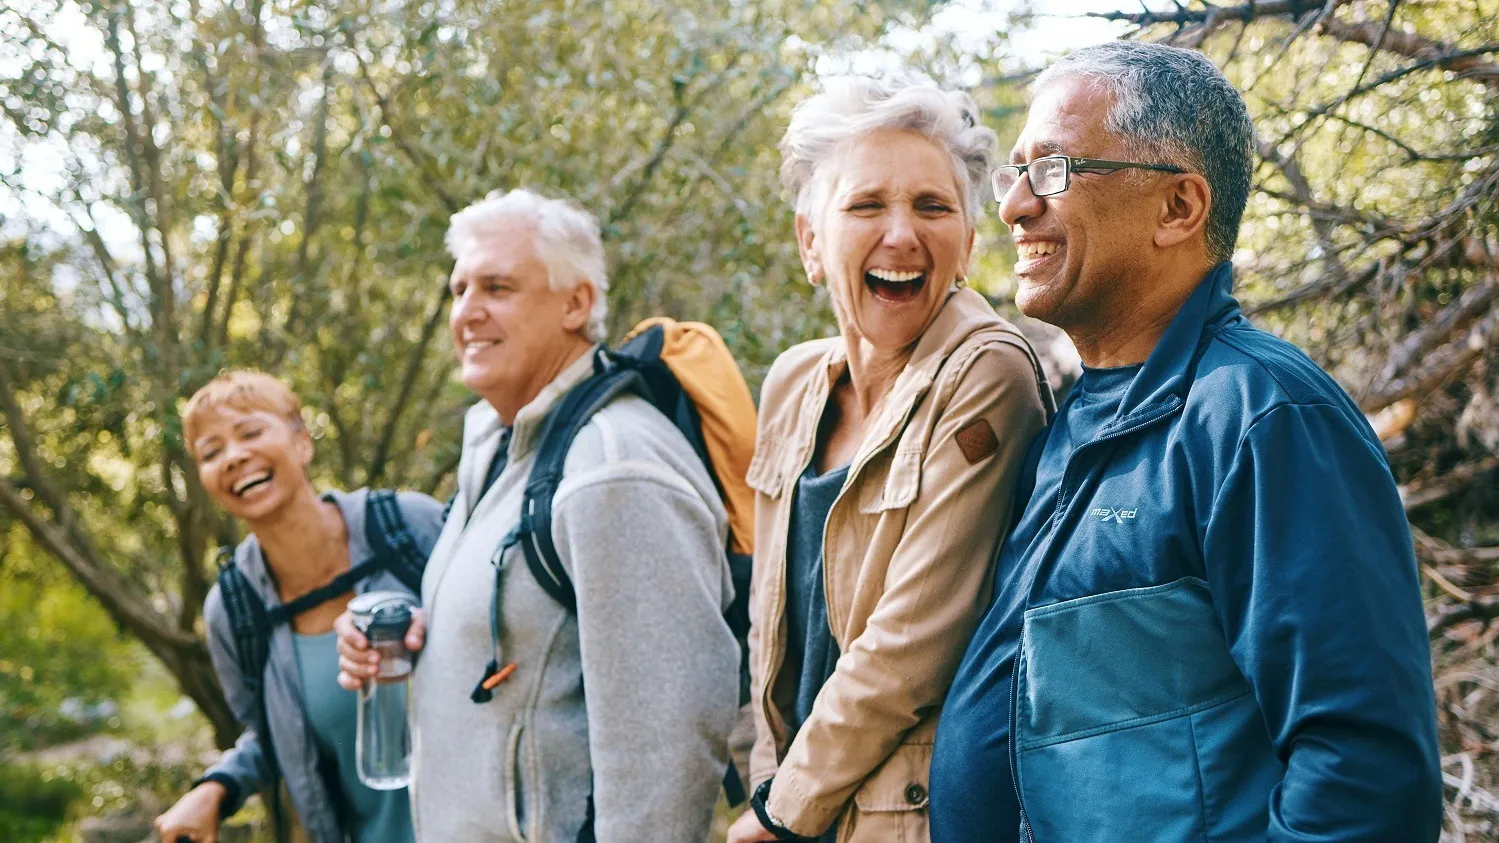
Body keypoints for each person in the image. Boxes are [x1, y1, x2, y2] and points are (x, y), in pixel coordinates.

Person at [928, 41, 1443, 842]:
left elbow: (1365, 770)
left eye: (1055, 170)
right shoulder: (1074, 419)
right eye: (1014, 173)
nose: (1015, 206)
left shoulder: (1261, 416)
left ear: (1178, 208)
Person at [335, 188, 740, 843]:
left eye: (497, 286)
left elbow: (670, 735)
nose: (466, 312)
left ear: (576, 303)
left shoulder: (612, 465)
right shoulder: (502, 446)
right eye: (458, 289)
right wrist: (424, 635)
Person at [726, 77, 1051, 843]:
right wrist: (768, 785)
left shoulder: (986, 374)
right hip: (796, 805)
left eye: (932, 207)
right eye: (866, 205)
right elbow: (768, 628)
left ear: (969, 243)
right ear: (811, 240)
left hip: (911, 819)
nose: (901, 235)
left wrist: (780, 811)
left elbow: (912, 643)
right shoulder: (791, 384)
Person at [154, 371, 445, 843]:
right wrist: (217, 787)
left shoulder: (408, 527)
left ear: (302, 443)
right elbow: (273, 735)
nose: (234, 456)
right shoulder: (234, 610)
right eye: (212, 452)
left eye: (250, 433)